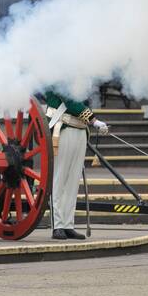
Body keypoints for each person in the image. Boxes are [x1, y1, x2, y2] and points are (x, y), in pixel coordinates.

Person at [42, 90, 108, 240]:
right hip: (62, 128)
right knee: (59, 179)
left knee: (72, 182)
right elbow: (69, 101)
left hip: (80, 130)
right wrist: (93, 120)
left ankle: (67, 224)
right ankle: (57, 225)